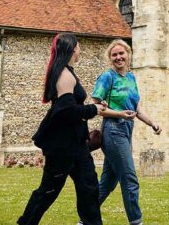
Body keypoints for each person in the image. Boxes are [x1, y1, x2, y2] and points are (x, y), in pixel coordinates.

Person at [18, 33, 107, 225]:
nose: (81, 50)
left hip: (77, 144)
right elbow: (65, 112)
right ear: (73, 48)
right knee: (49, 190)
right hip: (63, 146)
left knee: (89, 186)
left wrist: (93, 109)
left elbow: (69, 109)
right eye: (79, 46)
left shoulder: (67, 72)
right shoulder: (64, 76)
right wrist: (94, 109)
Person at [88, 39, 162, 225]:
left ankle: (85, 219)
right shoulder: (107, 77)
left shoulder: (131, 78)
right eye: (114, 55)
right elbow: (95, 106)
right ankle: (136, 222)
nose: (118, 57)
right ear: (110, 58)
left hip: (126, 130)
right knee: (130, 179)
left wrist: (152, 123)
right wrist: (119, 113)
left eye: (122, 53)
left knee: (108, 182)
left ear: (128, 54)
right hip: (112, 130)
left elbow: (136, 109)